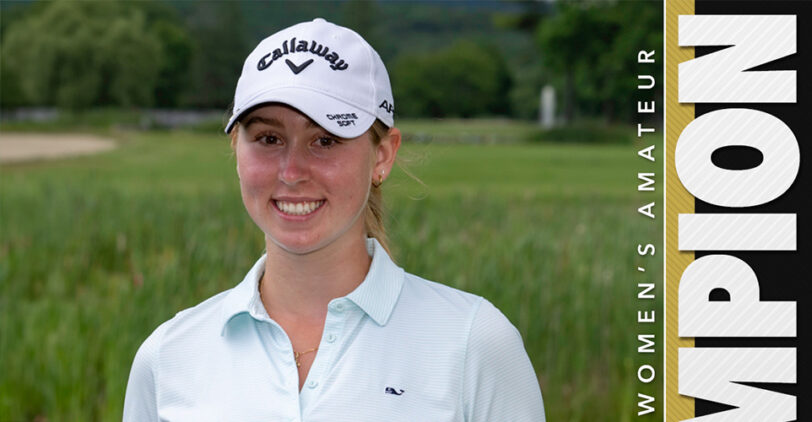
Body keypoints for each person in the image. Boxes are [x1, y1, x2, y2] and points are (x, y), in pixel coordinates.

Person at [123, 18, 545, 421]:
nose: (291, 171)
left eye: (325, 140)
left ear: (382, 156)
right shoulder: (168, 358)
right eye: (268, 139)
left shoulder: (475, 344)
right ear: (236, 150)